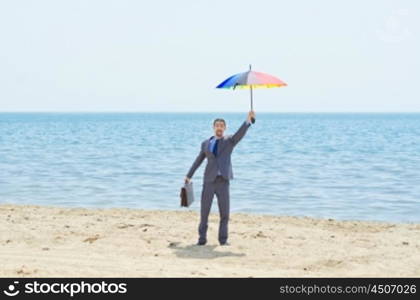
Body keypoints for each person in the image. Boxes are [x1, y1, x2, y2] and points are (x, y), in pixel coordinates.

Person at [185, 111, 255, 246]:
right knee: (204, 212)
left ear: (225, 128)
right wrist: (189, 175)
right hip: (209, 181)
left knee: (225, 213)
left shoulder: (229, 141)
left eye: (222, 126)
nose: (219, 127)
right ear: (213, 127)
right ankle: (202, 239)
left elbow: (239, 135)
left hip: (223, 181)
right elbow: (198, 161)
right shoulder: (206, 143)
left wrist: (248, 121)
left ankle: (223, 240)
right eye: (217, 125)